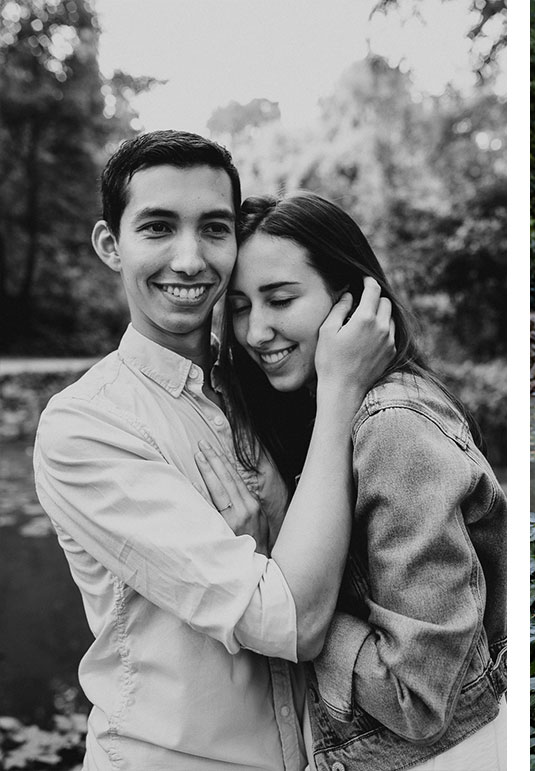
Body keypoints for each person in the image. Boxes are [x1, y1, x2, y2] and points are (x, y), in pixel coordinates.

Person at [33, 130, 394, 769]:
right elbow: (290, 623)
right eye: (158, 228)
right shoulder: (85, 427)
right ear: (110, 246)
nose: (191, 259)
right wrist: (341, 392)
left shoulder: (258, 384)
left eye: (215, 229)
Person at [198, 191, 506, 771]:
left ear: (355, 301)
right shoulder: (315, 421)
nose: (257, 331)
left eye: (280, 299)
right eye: (238, 307)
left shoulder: (394, 429)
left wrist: (283, 600)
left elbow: (415, 697)